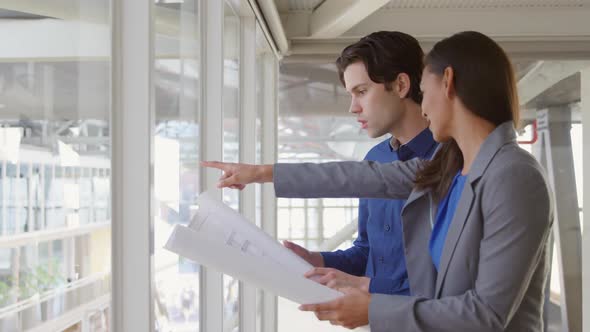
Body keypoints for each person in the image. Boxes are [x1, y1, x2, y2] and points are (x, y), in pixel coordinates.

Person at [203, 31, 553, 331]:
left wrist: (373, 304)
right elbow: (360, 178)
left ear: (447, 83)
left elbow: (485, 313)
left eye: (425, 89)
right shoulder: (454, 163)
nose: (424, 104)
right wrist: (262, 174)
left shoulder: (512, 176)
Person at [282, 31, 437, 296]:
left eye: (362, 92)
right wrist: (318, 260)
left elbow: (449, 282)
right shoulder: (375, 159)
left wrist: (370, 288)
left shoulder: (452, 160)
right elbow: (368, 251)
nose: (353, 107)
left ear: (401, 85)